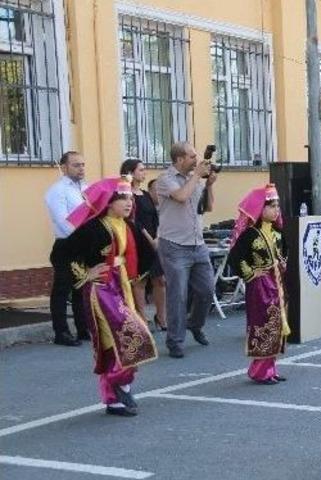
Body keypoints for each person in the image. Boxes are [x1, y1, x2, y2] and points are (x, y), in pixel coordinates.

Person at [60, 177, 158, 416]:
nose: (128, 202)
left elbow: (146, 254)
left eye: (129, 198)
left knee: (121, 338)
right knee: (130, 335)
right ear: (108, 202)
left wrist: (136, 277)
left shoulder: (129, 226)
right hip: (101, 288)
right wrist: (86, 273)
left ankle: (117, 392)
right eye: (122, 198)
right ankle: (117, 383)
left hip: (122, 283)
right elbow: (61, 254)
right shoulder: (93, 227)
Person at [155, 142, 218, 359]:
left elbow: (207, 207)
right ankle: (175, 340)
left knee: (207, 290)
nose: (197, 160)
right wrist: (196, 177)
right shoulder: (165, 180)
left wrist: (209, 185)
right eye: (192, 157)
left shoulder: (195, 181)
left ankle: (195, 323)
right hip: (174, 245)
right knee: (178, 295)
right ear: (180, 159)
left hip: (197, 244)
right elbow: (181, 197)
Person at [225, 184, 290, 385]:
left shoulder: (278, 233)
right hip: (260, 287)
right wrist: (251, 274)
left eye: (277, 206)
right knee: (263, 323)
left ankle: (271, 368)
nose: (276, 210)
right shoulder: (250, 234)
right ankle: (260, 370)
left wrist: (282, 264)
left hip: (277, 284)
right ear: (260, 209)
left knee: (277, 324)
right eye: (271, 206)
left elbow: (285, 251)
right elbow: (235, 257)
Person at [45, 151, 89, 346]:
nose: (81, 168)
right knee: (62, 290)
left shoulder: (85, 188)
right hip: (66, 244)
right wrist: (85, 217)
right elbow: (64, 223)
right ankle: (61, 332)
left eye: (82, 165)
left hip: (83, 245)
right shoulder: (57, 191)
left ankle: (82, 329)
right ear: (64, 167)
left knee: (81, 288)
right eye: (76, 165)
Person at [120, 159, 167, 331]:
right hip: (138, 241)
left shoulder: (146, 194)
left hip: (154, 242)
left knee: (160, 280)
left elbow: (156, 217)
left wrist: (158, 236)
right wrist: (150, 238)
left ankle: (161, 317)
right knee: (140, 281)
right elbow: (134, 221)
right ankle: (142, 318)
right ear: (130, 172)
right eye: (141, 169)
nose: (144, 172)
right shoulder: (127, 194)